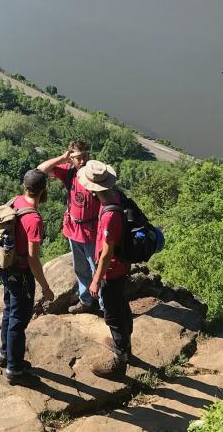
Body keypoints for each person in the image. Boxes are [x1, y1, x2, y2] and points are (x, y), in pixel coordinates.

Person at [0, 170, 55, 384]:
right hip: (21, 273)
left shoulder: (15, 202)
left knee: (9, 311)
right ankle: (15, 369)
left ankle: (5, 355)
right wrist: (45, 288)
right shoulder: (33, 219)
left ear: (24, 187)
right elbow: (33, 259)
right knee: (18, 321)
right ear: (43, 191)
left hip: (6, 268)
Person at [78, 161, 133, 378]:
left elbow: (107, 252)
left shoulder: (110, 214)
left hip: (112, 270)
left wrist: (95, 279)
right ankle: (125, 347)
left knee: (113, 316)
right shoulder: (116, 196)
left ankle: (119, 362)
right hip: (122, 266)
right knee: (122, 307)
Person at [37, 140, 101, 314]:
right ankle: (86, 301)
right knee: (80, 268)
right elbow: (41, 170)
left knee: (98, 270)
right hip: (74, 229)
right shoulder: (70, 172)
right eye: (78, 158)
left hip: (93, 231)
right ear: (71, 158)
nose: (82, 161)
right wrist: (63, 158)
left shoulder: (95, 172)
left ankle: (104, 306)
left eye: (85, 156)